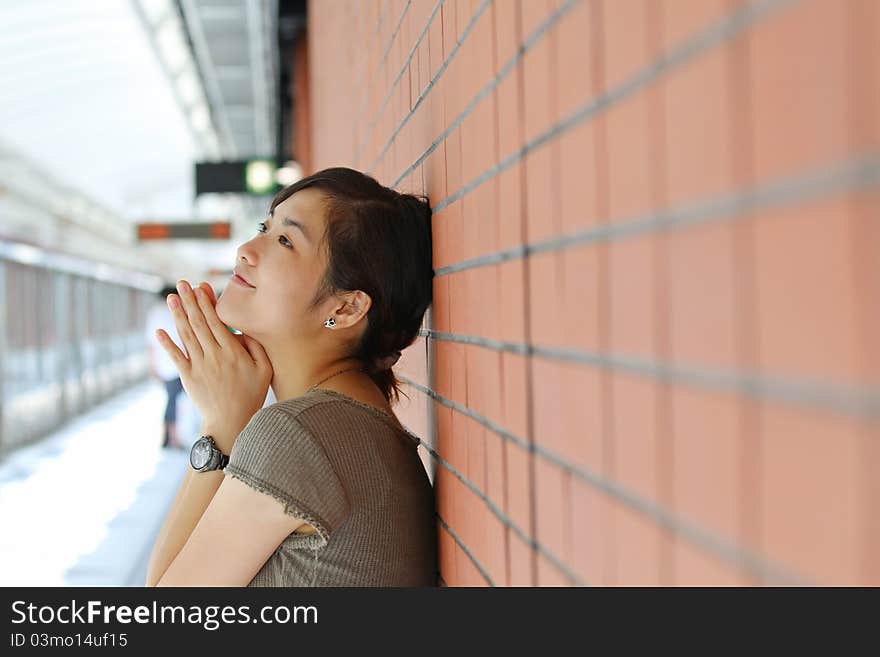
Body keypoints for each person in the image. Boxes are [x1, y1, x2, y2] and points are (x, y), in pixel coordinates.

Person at [145, 167, 437, 586]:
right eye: (265, 226)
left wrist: (222, 428)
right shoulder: (342, 423)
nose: (246, 248)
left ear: (346, 309)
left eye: (285, 240)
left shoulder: (299, 434)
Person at [144, 285, 189, 449]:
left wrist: (153, 367)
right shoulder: (181, 310)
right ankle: (174, 437)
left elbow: (150, 343)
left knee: (171, 401)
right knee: (180, 402)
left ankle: (169, 436)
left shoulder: (155, 312)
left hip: (165, 366)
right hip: (183, 363)